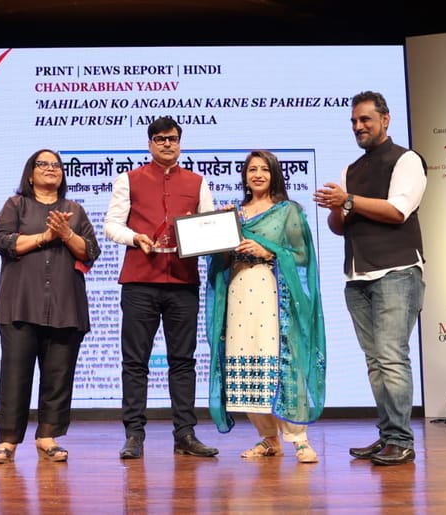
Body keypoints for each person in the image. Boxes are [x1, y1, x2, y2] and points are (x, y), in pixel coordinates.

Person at [312, 90, 427, 466]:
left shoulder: (406, 160)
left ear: (385, 120)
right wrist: (335, 207)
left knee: (392, 357)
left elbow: (398, 211)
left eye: (365, 119)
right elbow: (338, 227)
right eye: (354, 121)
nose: (358, 126)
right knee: (376, 361)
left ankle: (402, 441)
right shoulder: (351, 170)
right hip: (357, 276)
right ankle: (388, 435)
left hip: (396, 271)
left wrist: (347, 200)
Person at [103, 116, 219, 459]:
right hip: (140, 281)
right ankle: (134, 435)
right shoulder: (129, 179)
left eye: (172, 139)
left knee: (183, 361)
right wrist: (134, 237)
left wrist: (213, 229)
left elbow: (209, 228)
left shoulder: (198, 182)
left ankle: (185, 434)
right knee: (135, 361)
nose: (167, 144)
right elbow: (111, 225)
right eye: (160, 139)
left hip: (183, 282)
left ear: (180, 143)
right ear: (150, 144)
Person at [205, 150, 326, 463]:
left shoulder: (288, 212)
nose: (258, 175)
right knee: (243, 362)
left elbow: (302, 256)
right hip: (238, 293)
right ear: (245, 176)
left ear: (274, 175)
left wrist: (268, 251)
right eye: (252, 170)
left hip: (272, 293)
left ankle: (299, 439)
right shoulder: (234, 213)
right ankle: (270, 439)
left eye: (264, 170)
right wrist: (220, 234)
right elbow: (219, 260)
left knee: (280, 361)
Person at [0, 149, 101, 464]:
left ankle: (47, 437)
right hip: (20, 304)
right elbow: (4, 242)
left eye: (56, 165)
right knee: (15, 375)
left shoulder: (74, 210)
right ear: (30, 174)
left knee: (58, 375)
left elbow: (90, 251)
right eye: (43, 164)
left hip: (65, 306)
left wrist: (66, 234)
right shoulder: (16, 205)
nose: (51, 168)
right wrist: (46, 236)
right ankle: (8, 441)